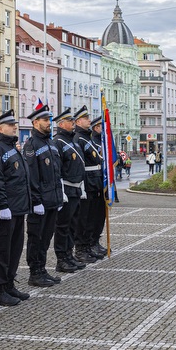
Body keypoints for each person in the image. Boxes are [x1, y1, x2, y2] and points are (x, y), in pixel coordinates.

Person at [0, 109, 31, 306]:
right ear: (0, 128)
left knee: (14, 249)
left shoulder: (11, 148)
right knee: (0, 251)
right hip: (5, 211)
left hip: (18, 209)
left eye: (15, 125)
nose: (15, 128)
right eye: (12, 126)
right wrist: (2, 206)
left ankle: (9, 284)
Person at [22, 101, 63, 287]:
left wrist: (59, 195)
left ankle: (42, 269)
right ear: (34, 123)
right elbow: (32, 177)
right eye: (45, 120)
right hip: (40, 203)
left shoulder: (51, 144)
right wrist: (36, 201)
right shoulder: (32, 145)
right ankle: (34, 272)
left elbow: (56, 173)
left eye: (50, 119)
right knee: (36, 238)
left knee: (46, 238)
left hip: (52, 199)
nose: (49, 123)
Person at [53, 108, 87, 274]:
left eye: (73, 121)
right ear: (61, 124)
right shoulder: (58, 142)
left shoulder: (72, 141)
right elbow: (58, 169)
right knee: (63, 226)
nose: (73, 124)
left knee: (72, 225)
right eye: (70, 121)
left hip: (76, 189)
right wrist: (61, 191)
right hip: (66, 189)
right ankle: (61, 259)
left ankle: (69, 254)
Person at [73, 110, 106, 264]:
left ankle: (92, 243)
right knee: (84, 218)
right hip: (87, 182)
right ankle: (82, 248)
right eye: (86, 118)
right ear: (78, 122)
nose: (89, 121)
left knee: (96, 216)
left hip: (95, 181)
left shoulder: (88, 139)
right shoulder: (78, 138)